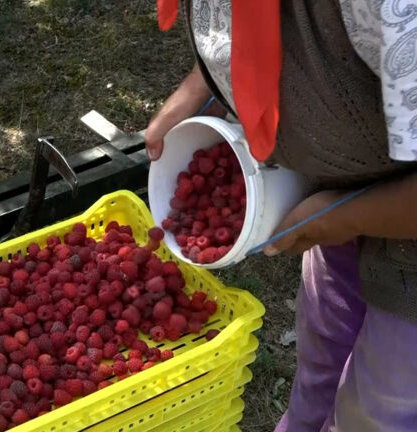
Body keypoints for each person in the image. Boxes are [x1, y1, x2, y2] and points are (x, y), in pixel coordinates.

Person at [147, 1, 417, 431]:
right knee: (322, 354)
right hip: (341, 190)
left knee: (382, 407)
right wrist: (206, 85)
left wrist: (342, 218)